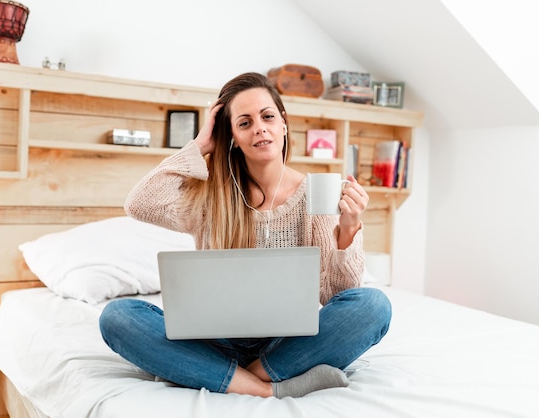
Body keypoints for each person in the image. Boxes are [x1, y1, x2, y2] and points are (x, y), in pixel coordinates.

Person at [99, 72, 392, 398]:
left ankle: (229, 375)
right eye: (244, 122)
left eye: (267, 117)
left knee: (374, 305)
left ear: (283, 124)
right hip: (215, 339)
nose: (259, 128)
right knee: (118, 317)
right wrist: (200, 145)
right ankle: (267, 389)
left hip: (288, 341)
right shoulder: (210, 198)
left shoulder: (315, 196)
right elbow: (140, 203)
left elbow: (337, 295)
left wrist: (349, 227)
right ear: (232, 137)